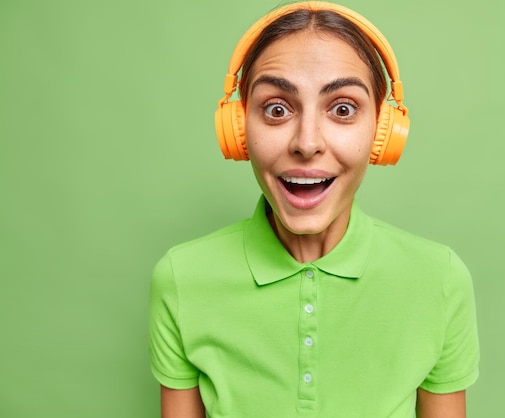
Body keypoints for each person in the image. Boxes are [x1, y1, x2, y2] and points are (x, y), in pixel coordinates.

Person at [149, 2, 479, 417]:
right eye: (277, 109)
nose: (307, 143)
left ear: (382, 130)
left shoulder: (441, 280)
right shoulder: (181, 278)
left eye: (342, 109)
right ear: (238, 129)